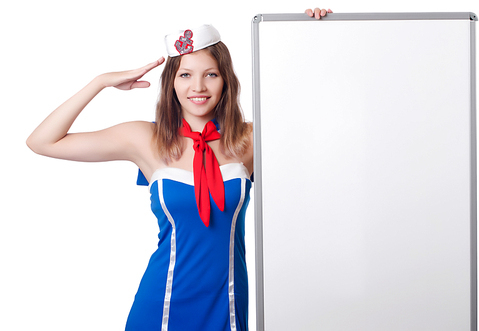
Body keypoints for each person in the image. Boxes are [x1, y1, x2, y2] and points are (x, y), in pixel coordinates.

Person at [26, 8, 332, 331]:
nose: (198, 86)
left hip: (226, 304)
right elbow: (43, 141)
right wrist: (101, 82)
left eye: (210, 74)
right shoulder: (146, 139)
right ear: (171, 81)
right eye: (185, 75)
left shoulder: (249, 139)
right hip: (162, 306)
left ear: (226, 79)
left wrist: (311, 34)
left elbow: (323, 133)